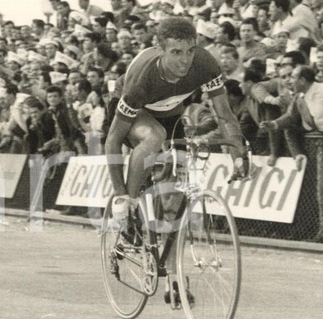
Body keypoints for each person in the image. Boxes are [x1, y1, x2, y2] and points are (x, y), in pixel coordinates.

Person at [104, 17, 248, 232]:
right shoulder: (141, 79)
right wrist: (120, 194)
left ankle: (169, 262)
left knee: (181, 181)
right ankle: (130, 204)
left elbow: (225, 114)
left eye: (190, 51)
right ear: (160, 50)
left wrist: (239, 154)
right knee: (155, 135)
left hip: (170, 111)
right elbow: (113, 141)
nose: (185, 60)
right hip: (136, 108)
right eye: (176, 52)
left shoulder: (205, 64)